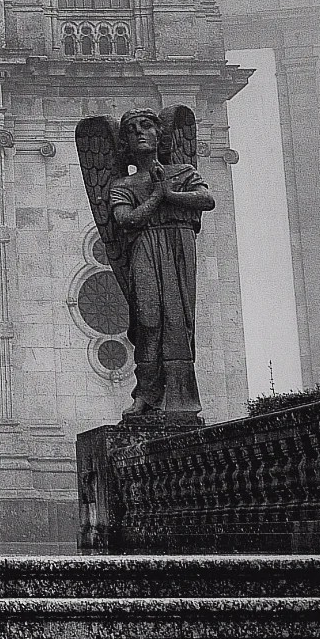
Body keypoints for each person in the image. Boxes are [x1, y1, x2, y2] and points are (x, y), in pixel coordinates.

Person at [108, 108, 214, 419]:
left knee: (179, 321)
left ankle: (181, 399)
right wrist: (159, 196)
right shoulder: (122, 184)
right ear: (125, 142)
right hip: (144, 247)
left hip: (178, 244)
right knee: (148, 320)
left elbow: (206, 200)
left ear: (160, 135)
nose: (140, 133)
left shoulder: (183, 172)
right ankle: (146, 394)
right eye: (132, 130)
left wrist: (169, 193)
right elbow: (125, 220)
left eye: (146, 126)